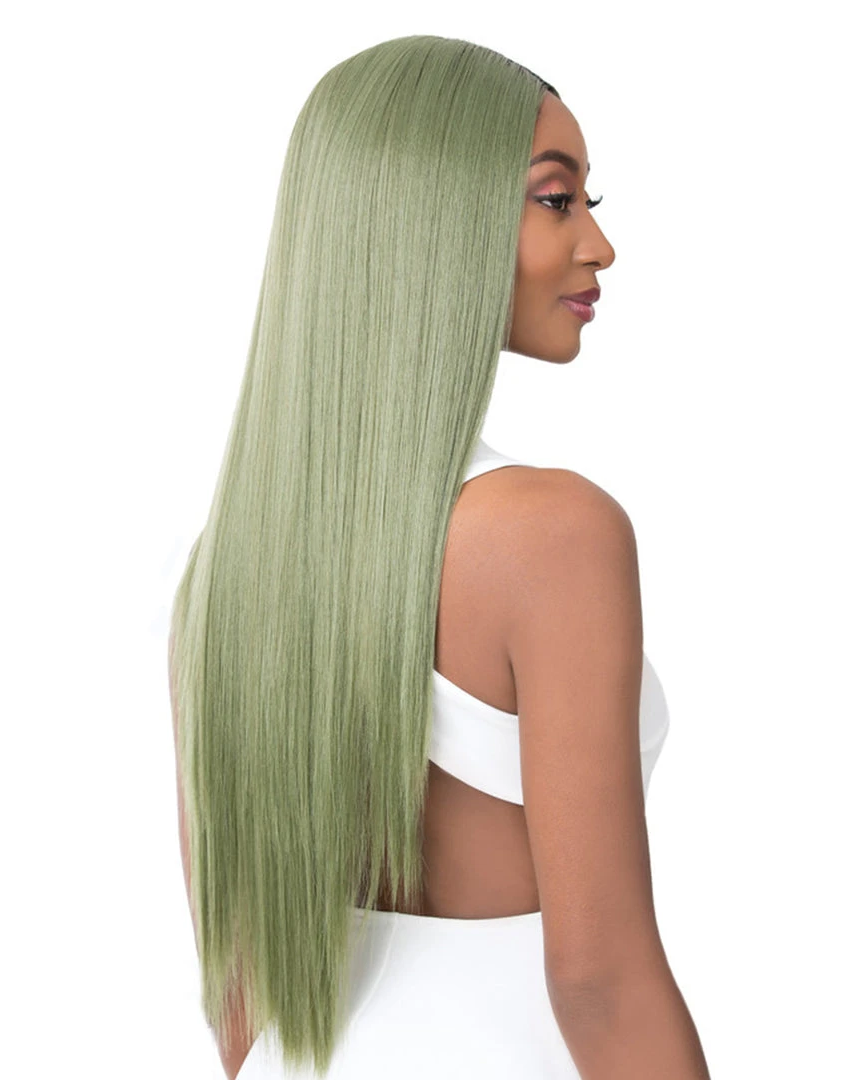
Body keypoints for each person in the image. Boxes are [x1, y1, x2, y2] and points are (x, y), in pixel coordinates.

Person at [168, 34, 711, 1079]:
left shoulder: (227, 569)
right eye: (556, 199)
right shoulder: (553, 534)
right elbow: (601, 983)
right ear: (435, 217)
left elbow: (238, 992)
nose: (600, 244)